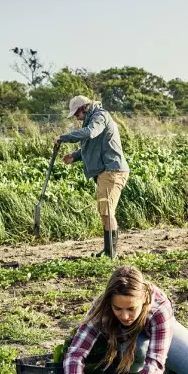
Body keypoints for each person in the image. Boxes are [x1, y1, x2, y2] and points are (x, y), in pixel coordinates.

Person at [56, 95, 130, 258]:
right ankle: (108, 250)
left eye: (76, 114)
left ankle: (111, 253)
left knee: (107, 211)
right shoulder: (91, 119)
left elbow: (90, 133)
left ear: (84, 108)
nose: (76, 118)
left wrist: (64, 137)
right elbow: (92, 146)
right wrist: (74, 156)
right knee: (104, 211)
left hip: (112, 170)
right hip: (106, 171)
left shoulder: (99, 116)